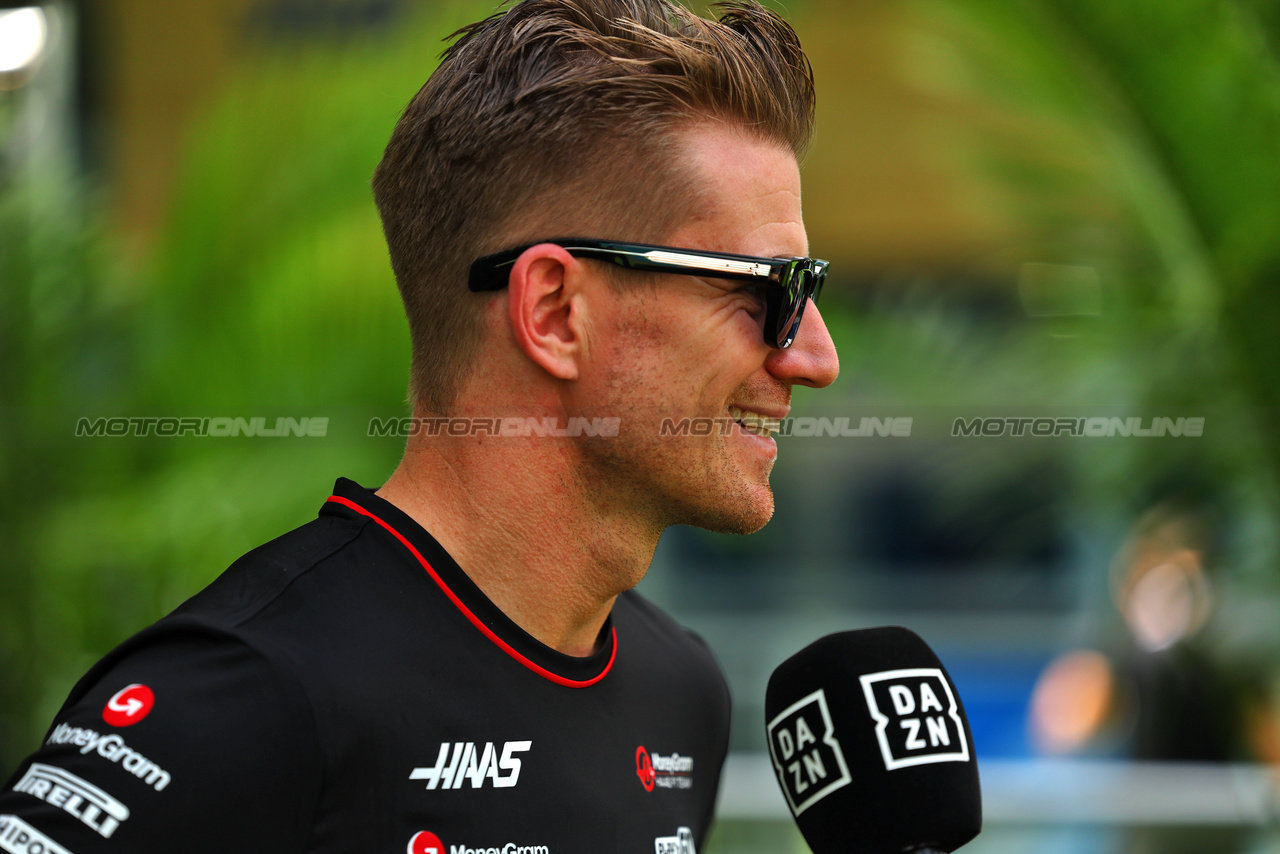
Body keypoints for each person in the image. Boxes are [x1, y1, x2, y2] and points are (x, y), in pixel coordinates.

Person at [0, 0, 838, 851]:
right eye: (766, 292)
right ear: (553, 311)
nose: (815, 356)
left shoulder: (680, 692)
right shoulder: (244, 694)